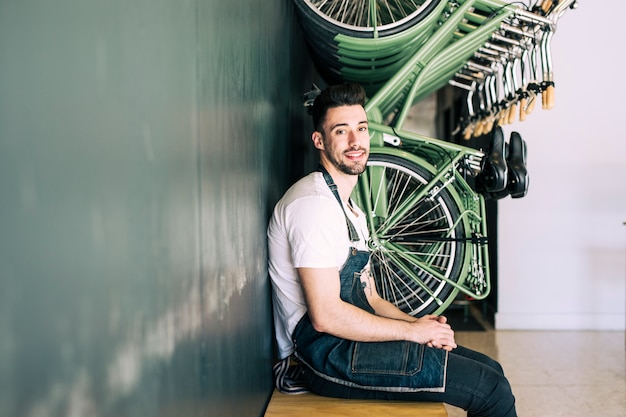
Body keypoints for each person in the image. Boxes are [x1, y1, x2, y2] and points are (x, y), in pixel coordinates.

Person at [267, 82, 517, 417]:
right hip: (321, 357)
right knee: (490, 391)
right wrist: (412, 332)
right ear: (320, 141)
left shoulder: (350, 209)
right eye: (341, 131)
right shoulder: (314, 205)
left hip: (349, 342)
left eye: (362, 128)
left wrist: (421, 324)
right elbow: (325, 317)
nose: (356, 142)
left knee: (491, 370)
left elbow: (369, 297)